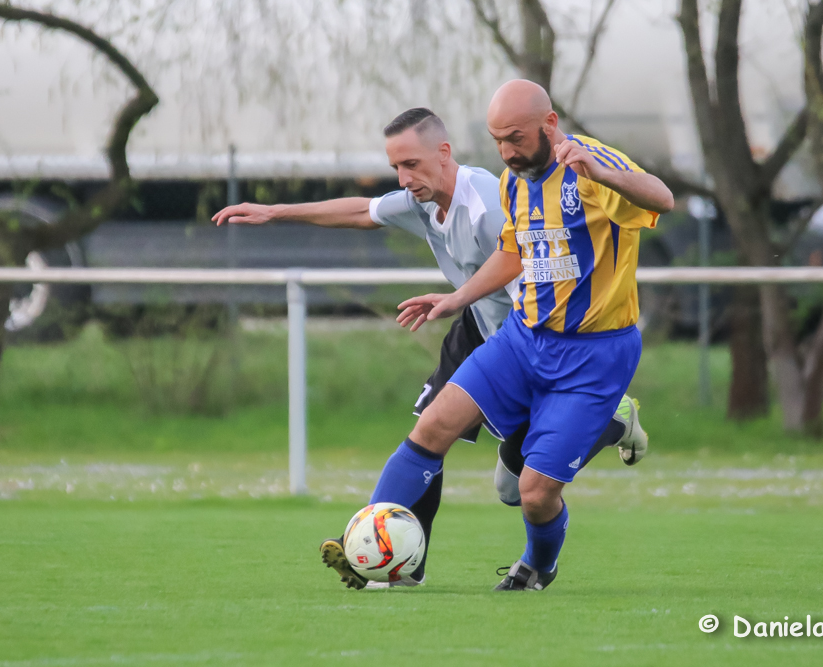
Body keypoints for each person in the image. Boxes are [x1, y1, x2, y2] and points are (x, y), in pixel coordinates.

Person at [213, 107, 649, 588]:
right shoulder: (421, 199)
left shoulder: (488, 203)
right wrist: (276, 212)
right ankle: (380, 553)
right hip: (485, 330)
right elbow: (363, 210)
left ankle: (612, 419)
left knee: (518, 490)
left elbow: (537, 264)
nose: (404, 178)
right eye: (396, 167)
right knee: (431, 427)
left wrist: (465, 302)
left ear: (444, 153)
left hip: (542, 342)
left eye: (411, 165)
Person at [319, 80, 672, 592]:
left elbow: (663, 198)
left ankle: (538, 564)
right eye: (497, 140)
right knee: (432, 426)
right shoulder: (514, 181)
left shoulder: (590, 164)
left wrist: (604, 174)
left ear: (549, 124)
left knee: (531, 493)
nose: (506, 151)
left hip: (593, 355)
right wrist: (456, 299)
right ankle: (367, 549)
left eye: (515, 138)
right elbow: (512, 253)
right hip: (523, 339)